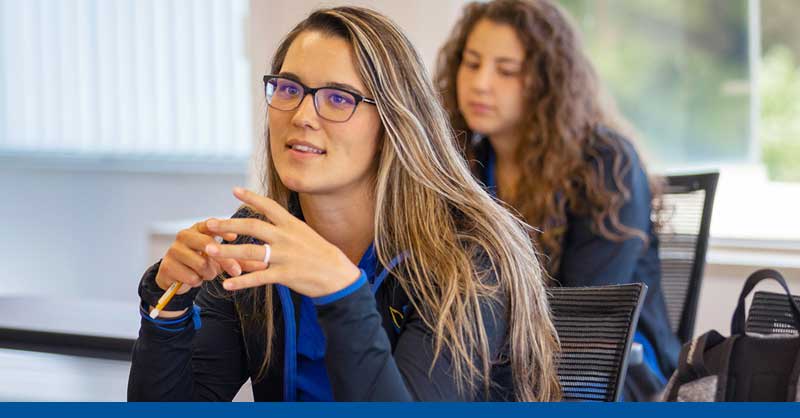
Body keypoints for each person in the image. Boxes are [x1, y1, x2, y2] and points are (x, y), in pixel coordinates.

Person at [128, 6, 560, 402]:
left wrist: (341, 292)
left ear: (394, 123)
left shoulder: (467, 257)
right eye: (288, 88)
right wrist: (169, 303)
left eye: (338, 98)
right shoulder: (254, 240)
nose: (302, 115)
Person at [435, 0, 681, 400]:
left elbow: (585, 316)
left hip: (610, 368)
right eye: (472, 62)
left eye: (507, 70)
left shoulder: (605, 164)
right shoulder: (469, 163)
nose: (480, 83)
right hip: (508, 358)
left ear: (549, 79)